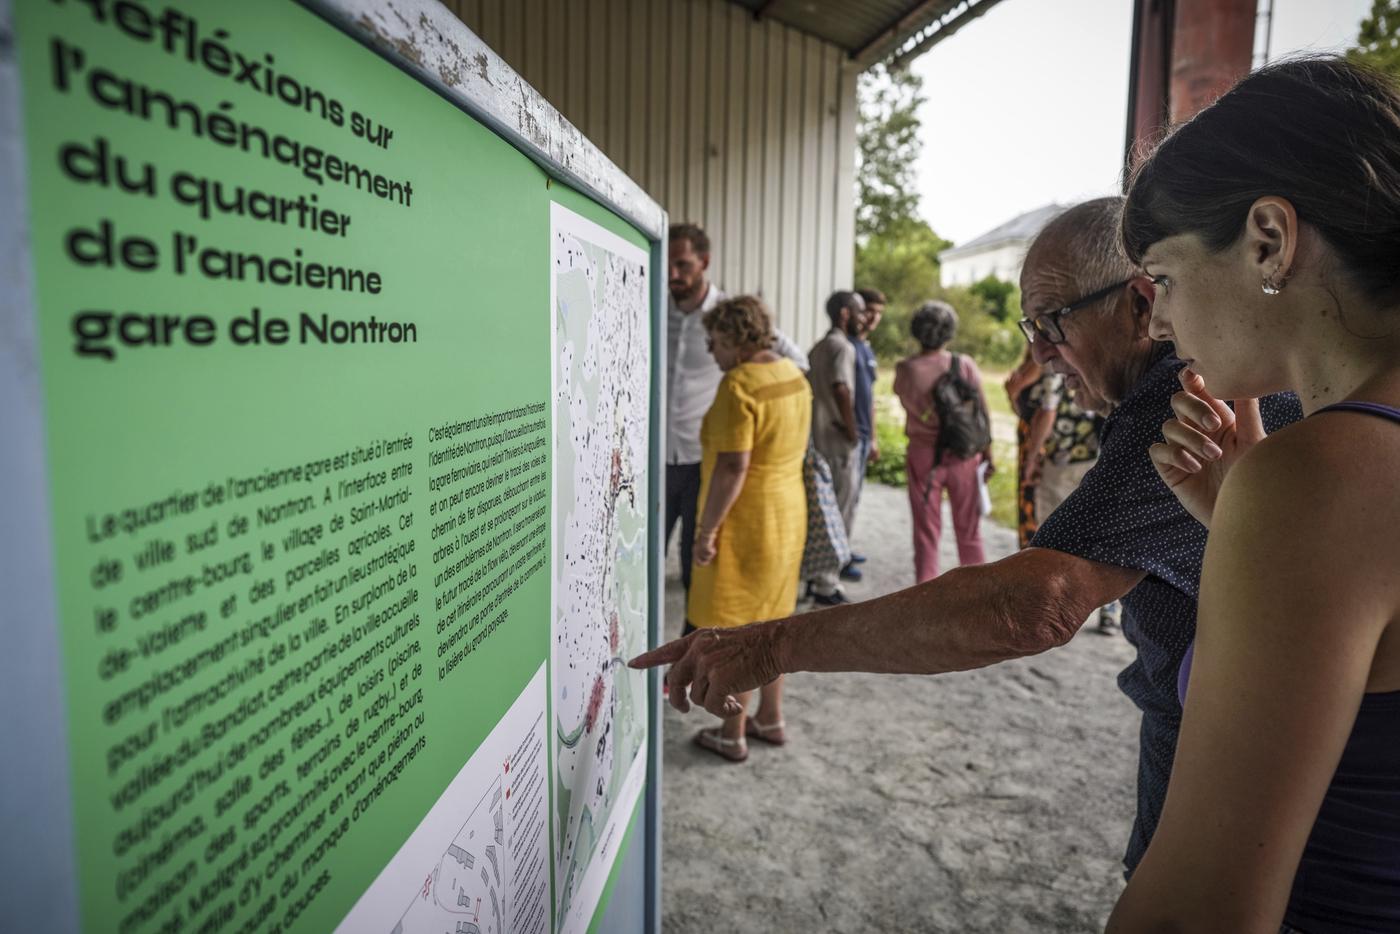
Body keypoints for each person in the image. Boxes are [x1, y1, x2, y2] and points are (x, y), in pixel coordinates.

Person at [634, 197, 1301, 878]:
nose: (1038, 351)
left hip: (1243, 807)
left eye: (1051, 323)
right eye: (1029, 326)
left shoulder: (1188, 395)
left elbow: (1035, 604)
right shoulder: (1190, 386)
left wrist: (770, 644)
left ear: (1138, 303)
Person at [1105, 57, 1400, 932]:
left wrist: (1274, 507)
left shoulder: (1319, 478)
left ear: (1269, 238)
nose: (1156, 321)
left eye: (1161, 277)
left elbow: (1202, 908)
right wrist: (1239, 514)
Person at [684, 295, 811, 763]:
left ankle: (731, 731)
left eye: (714, 341)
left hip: (745, 521)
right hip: (787, 512)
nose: (711, 350)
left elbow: (733, 466)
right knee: (772, 621)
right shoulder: (792, 376)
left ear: (736, 339)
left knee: (734, 628)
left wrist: (706, 531)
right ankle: (771, 719)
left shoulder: (740, 384)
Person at [665, 222, 808, 599]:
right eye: (668, 265)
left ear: (704, 262)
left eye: (682, 265)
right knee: (643, 553)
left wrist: (759, 419)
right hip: (657, 458)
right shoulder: (651, 305)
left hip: (704, 457)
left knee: (695, 567)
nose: (672, 275)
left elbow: (796, 362)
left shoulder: (729, 320)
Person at [892, 301, 990, 583]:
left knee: (926, 530)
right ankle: (975, 589)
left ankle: (926, 588)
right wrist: (988, 452)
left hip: (924, 456)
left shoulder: (905, 369)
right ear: (950, 332)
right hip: (964, 454)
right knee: (969, 529)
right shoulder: (965, 364)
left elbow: (905, 399)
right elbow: (981, 412)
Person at [1022, 372, 1120, 633]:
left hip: (1062, 462)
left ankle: (1052, 604)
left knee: (1054, 536)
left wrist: (1031, 458)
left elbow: (1047, 414)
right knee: (1100, 535)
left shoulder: (1055, 373)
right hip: (1096, 458)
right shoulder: (1099, 369)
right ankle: (1108, 611)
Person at [805, 290, 866, 605]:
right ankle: (826, 584)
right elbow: (842, 388)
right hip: (838, 441)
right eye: (860, 311)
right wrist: (853, 431)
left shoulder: (817, 347)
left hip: (818, 438)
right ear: (845, 313)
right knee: (839, 512)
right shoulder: (841, 347)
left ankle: (816, 576)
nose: (864, 317)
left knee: (821, 510)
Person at [845, 287, 887, 575]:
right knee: (841, 498)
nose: (873, 318)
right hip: (847, 436)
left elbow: (869, 398)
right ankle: (835, 559)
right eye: (869, 310)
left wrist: (872, 437)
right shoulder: (845, 346)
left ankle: (843, 548)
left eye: (879, 313)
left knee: (853, 496)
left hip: (862, 435)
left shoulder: (866, 349)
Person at [1003, 345, 1045, 549]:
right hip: (1026, 432)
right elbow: (1019, 409)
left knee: (1031, 495)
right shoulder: (1028, 364)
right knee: (1026, 493)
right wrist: (1011, 396)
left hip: (1036, 438)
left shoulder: (1038, 366)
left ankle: (1031, 546)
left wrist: (1012, 391)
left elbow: (1014, 388)